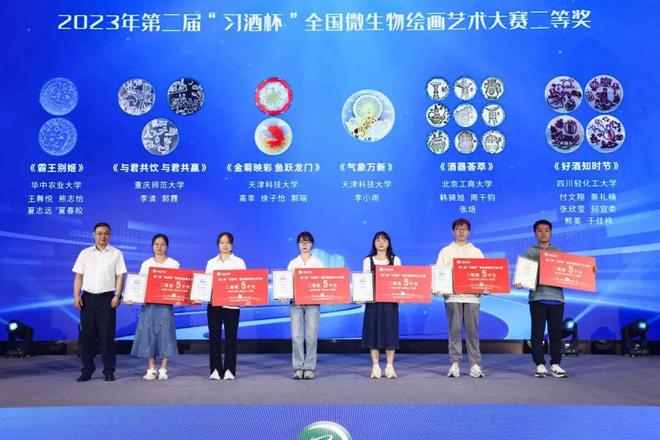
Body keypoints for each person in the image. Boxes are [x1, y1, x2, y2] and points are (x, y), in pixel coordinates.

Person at [72, 222, 127, 382]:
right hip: (87, 299)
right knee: (86, 336)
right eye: (99, 233)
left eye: (106, 233)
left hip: (107, 299)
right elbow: (79, 276)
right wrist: (76, 296)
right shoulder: (85, 253)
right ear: (93, 235)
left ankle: (109, 371)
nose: (103, 236)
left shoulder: (116, 253)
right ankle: (87, 370)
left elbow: (120, 276)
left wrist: (117, 295)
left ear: (110, 235)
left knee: (107, 337)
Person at [517, 220, 569, 378]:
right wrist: (520, 281)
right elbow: (523, 273)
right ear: (535, 234)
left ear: (551, 233)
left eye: (546, 230)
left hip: (557, 299)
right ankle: (539, 364)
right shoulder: (530, 252)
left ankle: (555, 364)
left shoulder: (558, 252)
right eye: (539, 230)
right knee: (537, 333)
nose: (543, 233)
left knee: (556, 334)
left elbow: (570, 272)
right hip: (537, 298)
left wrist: (590, 271)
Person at [435, 218, 485, 378]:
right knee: (454, 331)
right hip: (453, 297)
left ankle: (474, 364)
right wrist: (438, 288)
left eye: (464, 229)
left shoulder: (476, 252)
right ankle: (455, 363)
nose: (461, 231)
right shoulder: (445, 251)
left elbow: (484, 274)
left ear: (469, 232)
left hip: (472, 298)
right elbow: (439, 273)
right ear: (453, 232)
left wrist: (485, 287)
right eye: (458, 228)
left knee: (472, 332)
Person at [128, 234, 179, 380]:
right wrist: (132, 298)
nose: (159, 247)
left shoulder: (174, 264)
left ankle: (163, 369)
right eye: (156, 244)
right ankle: (151, 368)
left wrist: (179, 297)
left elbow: (177, 285)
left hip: (165, 306)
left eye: (162, 244)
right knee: (148, 335)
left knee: (166, 335)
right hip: (149, 306)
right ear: (152, 246)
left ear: (167, 246)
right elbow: (139, 285)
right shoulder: (146, 264)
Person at [205, 232, 245, 380]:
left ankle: (229, 370)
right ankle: (215, 369)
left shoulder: (239, 262)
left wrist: (247, 297)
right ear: (218, 245)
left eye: (227, 242)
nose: (225, 245)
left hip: (232, 305)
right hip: (214, 304)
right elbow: (205, 284)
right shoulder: (211, 262)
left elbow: (243, 283)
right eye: (222, 242)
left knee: (231, 338)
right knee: (214, 337)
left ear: (232, 245)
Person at [361, 231, 401, 379]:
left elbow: (399, 280)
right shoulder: (368, 261)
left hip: (390, 302)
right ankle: (376, 367)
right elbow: (364, 282)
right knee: (373, 333)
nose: (381, 242)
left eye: (384, 240)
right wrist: (360, 296)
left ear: (388, 243)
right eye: (378, 240)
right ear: (374, 243)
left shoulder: (395, 260)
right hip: (373, 303)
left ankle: (390, 366)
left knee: (390, 333)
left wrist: (402, 296)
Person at [286, 231, 324, 380]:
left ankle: (309, 368)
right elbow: (286, 283)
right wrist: (283, 294)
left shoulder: (318, 263)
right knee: (296, 337)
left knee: (311, 337)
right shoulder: (293, 263)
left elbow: (323, 283)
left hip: (313, 304)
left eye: (307, 242)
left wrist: (329, 296)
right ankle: (297, 368)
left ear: (311, 244)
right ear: (298, 245)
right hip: (296, 303)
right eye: (302, 242)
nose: (304, 244)